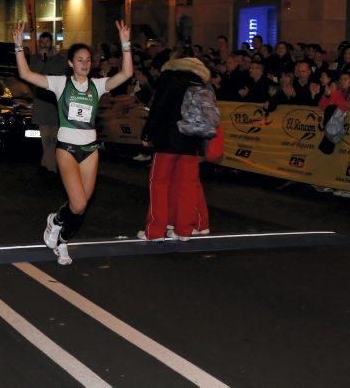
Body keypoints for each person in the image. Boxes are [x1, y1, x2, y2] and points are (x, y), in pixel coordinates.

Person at [13, 20, 133, 265]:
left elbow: (126, 74)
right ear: (70, 63)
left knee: (81, 207)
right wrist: (18, 47)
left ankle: (62, 239)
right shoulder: (60, 83)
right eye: (80, 59)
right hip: (66, 148)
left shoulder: (97, 86)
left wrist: (125, 44)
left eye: (88, 60)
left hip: (90, 150)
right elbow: (26, 74)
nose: (85, 64)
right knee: (77, 202)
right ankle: (55, 221)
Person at [139, 56, 216, 240]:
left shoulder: (168, 78)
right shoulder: (201, 82)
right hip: (191, 141)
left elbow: (158, 107)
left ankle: (156, 230)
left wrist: (147, 133)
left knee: (158, 184)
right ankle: (184, 230)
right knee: (187, 186)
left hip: (167, 141)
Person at [29, 31, 67, 174]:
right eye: (42, 42)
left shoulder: (60, 59)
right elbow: (34, 74)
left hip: (55, 102)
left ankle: (46, 163)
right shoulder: (34, 58)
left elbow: (58, 74)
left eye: (47, 42)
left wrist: (48, 66)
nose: (44, 45)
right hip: (41, 102)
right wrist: (43, 61)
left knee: (55, 137)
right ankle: (51, 166)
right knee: (45, 136)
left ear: (51, 42)